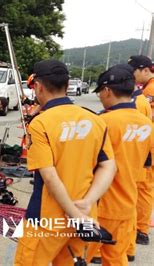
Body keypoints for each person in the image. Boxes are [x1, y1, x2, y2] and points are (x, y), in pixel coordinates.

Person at [13, 59, 117, 265]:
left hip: (47, 218)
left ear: (38, 86)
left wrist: (73, 213)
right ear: (67, 85)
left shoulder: (41, 122)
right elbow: (109, 165)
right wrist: (86, 204)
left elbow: (49, 176)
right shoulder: (95, 120)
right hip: (85, 215)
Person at [85, 64, 152, 265]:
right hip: (127, 206)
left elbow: (87, 163)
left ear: (107, 90)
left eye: (100, 93)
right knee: (116, 258)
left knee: (79, 255)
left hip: (100, 206)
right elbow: (148, 164)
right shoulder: (147, 124)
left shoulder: (102, 122)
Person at [127, 55, 154, 247]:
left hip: (148, 144)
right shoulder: (147, 88)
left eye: (134, 71)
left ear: (145, 70)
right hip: (147, 141)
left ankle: (140, 230)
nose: (132, 75)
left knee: (143, 188)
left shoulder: (150, 90)